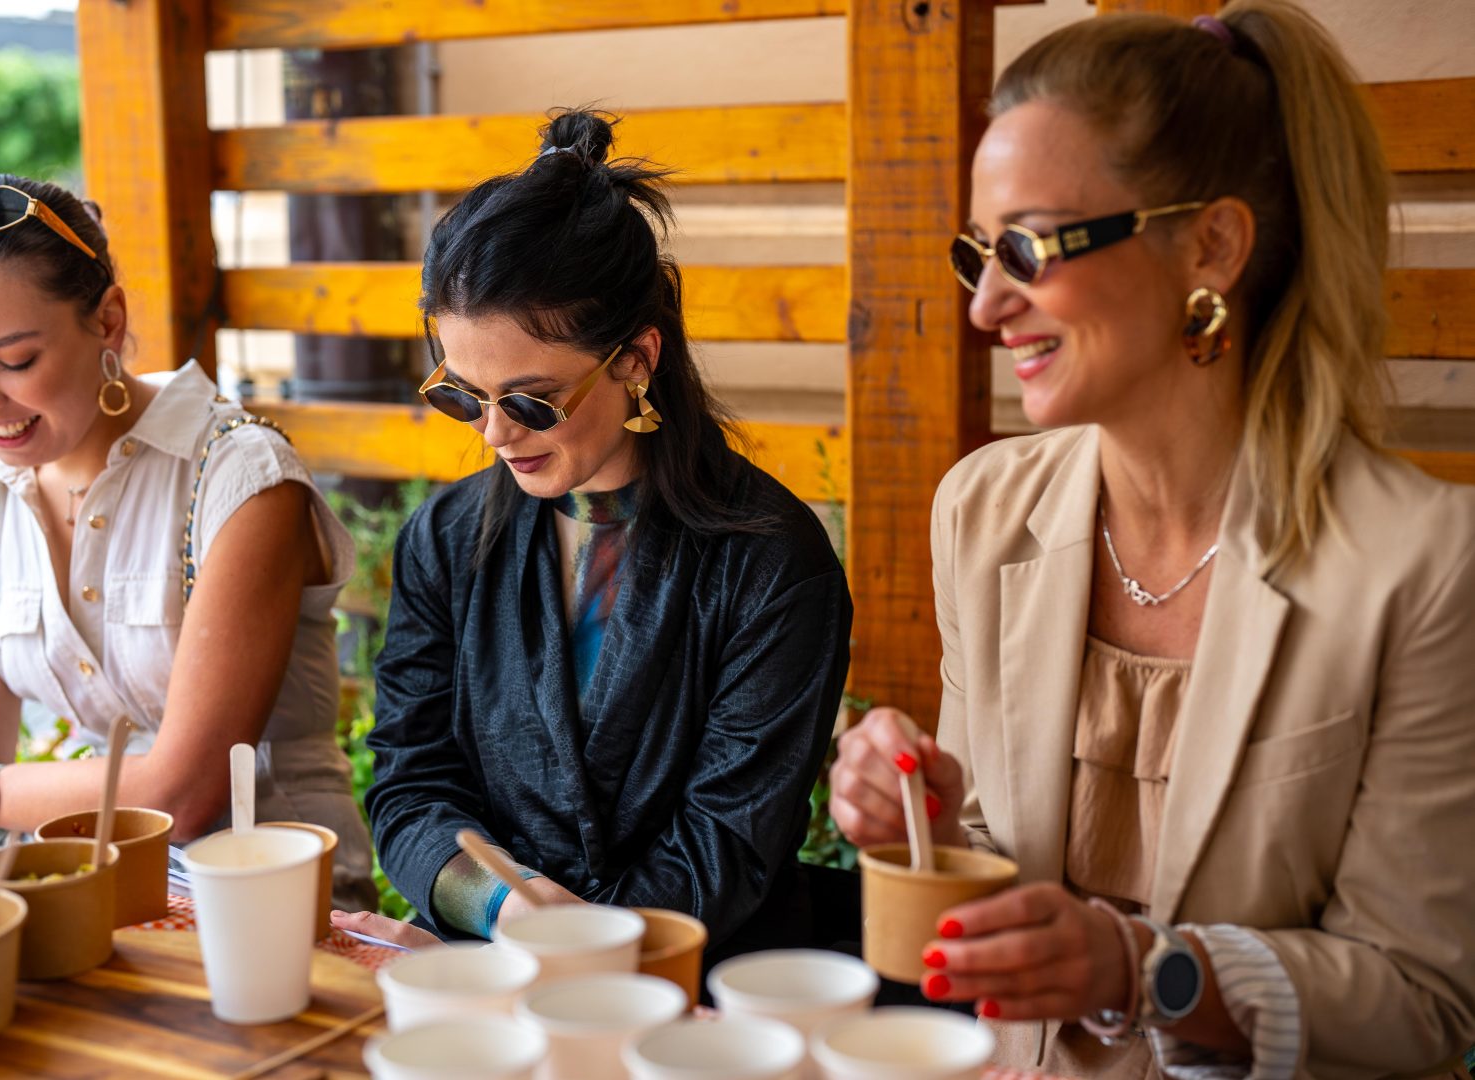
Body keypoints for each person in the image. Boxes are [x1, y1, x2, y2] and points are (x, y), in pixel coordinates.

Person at [827, 3, 1475, 1076]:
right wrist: (919, 827)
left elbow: (1422, 1001)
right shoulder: (982, 513)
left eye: (1028, 246)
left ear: (1211, 245)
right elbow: (994, 871)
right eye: (979, 254)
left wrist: (1144, 970)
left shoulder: (1424, 565)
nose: (987, 306)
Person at [331, 110, 852, 954]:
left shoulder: (770, 563)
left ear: (636, 360)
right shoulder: (446, 539)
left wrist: (557, 948)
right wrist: (502, 910)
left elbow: (727, 844)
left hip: (693, 982)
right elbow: (410, 782)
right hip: (488, 958)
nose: (495, 434)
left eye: (531, 401)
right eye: (463, 395)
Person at [0, 174, 375, 910]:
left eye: (14, 361)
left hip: (275, 902)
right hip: (101, 893)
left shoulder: (238, 478)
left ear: (109, 322)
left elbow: (181, 793)